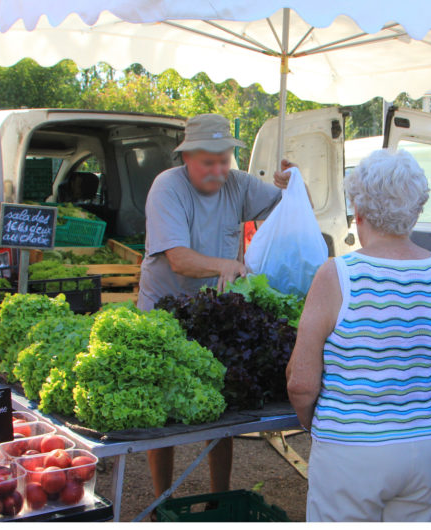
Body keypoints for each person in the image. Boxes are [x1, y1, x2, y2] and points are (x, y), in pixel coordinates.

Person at [286, 149, 431, 522]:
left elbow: (301, 384)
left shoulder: (339, 274)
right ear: (416, 210)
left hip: (351, 448)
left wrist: (312, 424)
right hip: (425, 444)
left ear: (357, 210)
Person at [137, 113, 293, 502]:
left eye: (225, 160)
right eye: (209, 162)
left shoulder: (237, 184)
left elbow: (287, 209)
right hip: (164, 313)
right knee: (165, 417)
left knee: (222, 413)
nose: (219, 170)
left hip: (214, 317)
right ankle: (161, 501)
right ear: (187, 157)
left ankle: (218, 498)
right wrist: (224, 264)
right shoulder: (167, 188)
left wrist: (294, 184)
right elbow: (177, 258)